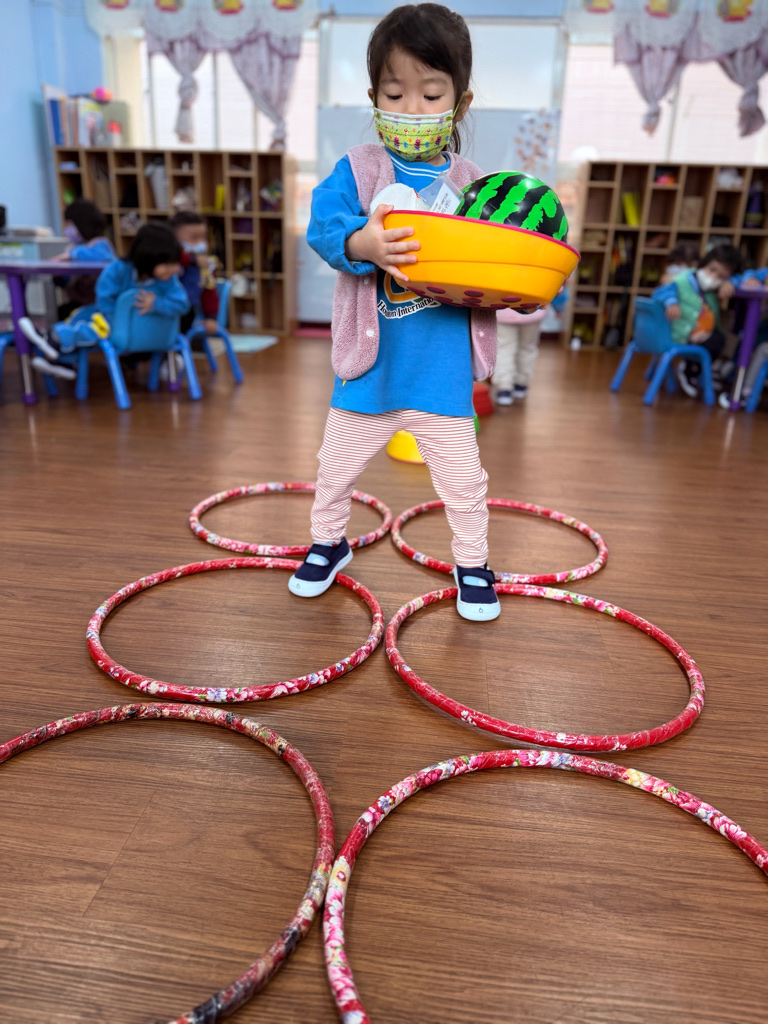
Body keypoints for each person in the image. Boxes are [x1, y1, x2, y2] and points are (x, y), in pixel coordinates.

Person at [287, 3, 500, 622]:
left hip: (440, 374)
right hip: (370, 370)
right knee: (335, 469)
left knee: (464, 482)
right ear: (374, 97)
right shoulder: (358, 169)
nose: (411, 107)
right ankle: (328, 543)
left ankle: (473, 564)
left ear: (459, 103)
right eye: (394, 93)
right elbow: (324, 226)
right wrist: (363, 242)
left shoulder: (474, 184)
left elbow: (497, 258)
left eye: (431, 95)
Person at [22, 223, 188, 379]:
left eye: (175, 263)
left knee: (95, 326)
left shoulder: (169, 280)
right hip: (115, 323)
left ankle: (52, 339)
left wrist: (157, 304)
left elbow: (183, 304)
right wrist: (114, 319)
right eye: (167, 264)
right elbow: (104, 300)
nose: (174, 269)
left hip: (150, 334)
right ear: (147, 259)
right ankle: (59, 354)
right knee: (85, 317)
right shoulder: (119, 270)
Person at [653, 243, 740, 397]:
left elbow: (744, 277)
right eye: (712, 270)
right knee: (715, 341)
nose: (713, 277)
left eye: (721, 277)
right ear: (703, 264)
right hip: (680, 334)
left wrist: (731, 282)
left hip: (700, 333)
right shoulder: (684, 279)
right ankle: (689, 370)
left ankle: (699, 372)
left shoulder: (713, 289)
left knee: (720, 339)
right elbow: (662, 291)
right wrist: (671, 302)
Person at [168, 211, 220, 336]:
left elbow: (209, 291)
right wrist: (192, 260)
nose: (201, 243)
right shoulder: (169, 260)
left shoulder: (206, 265)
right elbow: (174, 257)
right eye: (194, 238)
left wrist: (211, 317)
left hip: (188, 311)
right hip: (166, 308)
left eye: (204, 238)